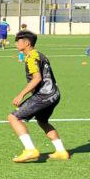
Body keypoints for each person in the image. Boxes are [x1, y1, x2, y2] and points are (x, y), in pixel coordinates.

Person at [9, 31, 69, 162]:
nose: (16, 43)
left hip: (44, 95)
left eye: (18, 41)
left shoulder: (31, 57)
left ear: (27, 43)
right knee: (42, 121)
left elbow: (37, 78)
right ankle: (61, 151)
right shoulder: (40, 55)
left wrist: (21, 94)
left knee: (13, 117)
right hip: (54, 94)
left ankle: (30, 150)